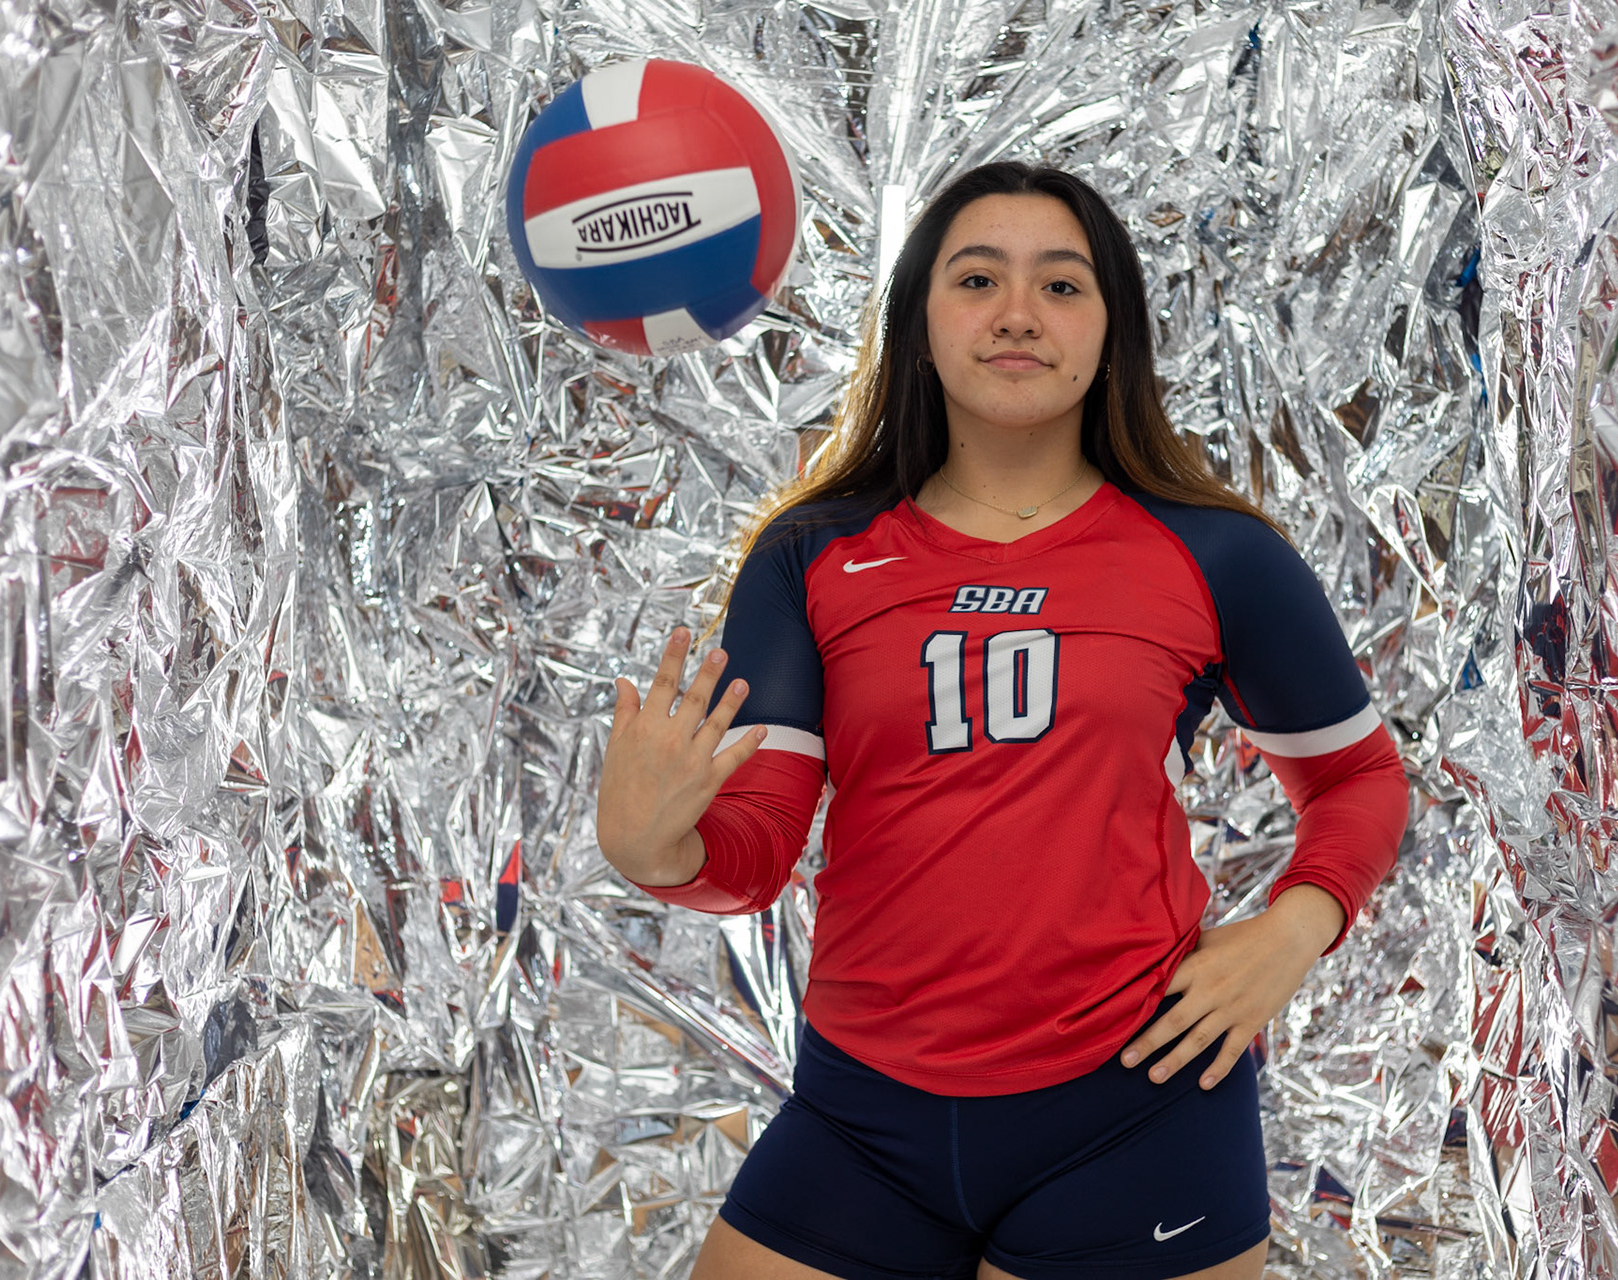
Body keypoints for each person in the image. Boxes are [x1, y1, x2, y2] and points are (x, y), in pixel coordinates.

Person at [595, 161, 1410, 1280]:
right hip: (863, 1116)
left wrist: (1292, 928)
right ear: (917, 321)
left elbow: (1359, 779)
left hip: (1133, 1107)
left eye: (1063, 286)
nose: (1019, 313)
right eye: (978, 278)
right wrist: (658, 850)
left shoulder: (1216, 552)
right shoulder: (811, 554)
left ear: (1110, 328)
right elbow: (757, 851)